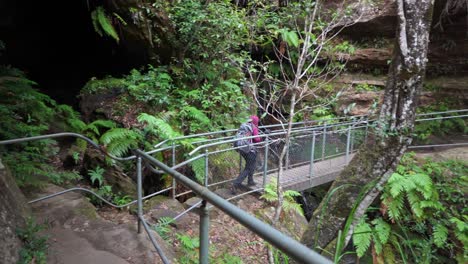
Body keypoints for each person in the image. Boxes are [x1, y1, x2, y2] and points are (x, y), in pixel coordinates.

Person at [231, 115, 261, 194]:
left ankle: (250, 181)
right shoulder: (253, 127)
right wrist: (263, 136)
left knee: (252, 163)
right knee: (249, 167)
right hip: (248, 149)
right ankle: (236, 184)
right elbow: (257, 139)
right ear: (256, 121)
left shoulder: (244, 125)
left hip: (241, 148)